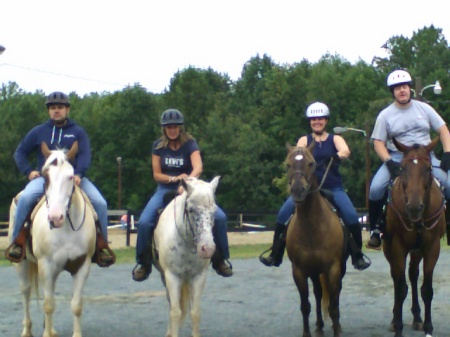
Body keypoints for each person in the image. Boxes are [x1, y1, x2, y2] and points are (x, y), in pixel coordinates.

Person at [6, 91, 114, 266]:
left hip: (73, 178)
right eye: (53, 108)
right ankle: (17, 243)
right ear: (49, 111)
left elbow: (86, 155)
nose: (57, 111)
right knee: (25, 198)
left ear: (67, 110)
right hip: (45, 179)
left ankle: (101, 247)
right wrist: (28, 172)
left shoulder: (78, 132)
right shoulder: (39, 131)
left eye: (60, 107)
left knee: (100, 203)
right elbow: (20, 153)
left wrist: (79, 174)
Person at [259, 102, 371, 271]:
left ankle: (357, 255)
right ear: (310, 121)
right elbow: (298, 153)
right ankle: (275, 253)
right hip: (308, 191)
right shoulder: (304, 140)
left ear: (326, 120)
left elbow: (346, 151)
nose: (317, 122)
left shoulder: (335, 139)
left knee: (350, 215)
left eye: (320, 119)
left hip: (333, 188)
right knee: (283, 214)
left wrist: (336, 155)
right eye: (313, 119)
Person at [132, 108, 233, 282]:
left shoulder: (190, 144)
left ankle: (220, 259)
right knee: (144, 222)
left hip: (190, 189)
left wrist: (187, 182)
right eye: (169, 127)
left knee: (221, 218)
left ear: (181, 128)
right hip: (165, 188)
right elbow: (156, 174)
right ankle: (143, 262)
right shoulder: (158, 146)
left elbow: (198, 167)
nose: (172, 130)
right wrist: (174, 179)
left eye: (175, 126)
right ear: (164, 128)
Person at [366, 69, 450, 249]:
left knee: (448, 183)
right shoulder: (385, 115)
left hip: (425, 156)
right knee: (375, 189)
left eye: (404, 87)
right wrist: (388, 161)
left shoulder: (425, 108)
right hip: (398, 156)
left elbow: (443, 130)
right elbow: (378, 143)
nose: (401, 91)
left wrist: (448, 153)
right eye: (397, 88)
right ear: (393, 92)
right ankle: (375, 229)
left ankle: (448, 224)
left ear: (409, 88)